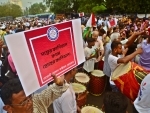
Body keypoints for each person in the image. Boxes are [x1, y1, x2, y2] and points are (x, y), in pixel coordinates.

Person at [1, 74, 69, 113]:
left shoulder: (37, 101)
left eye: (30, 96)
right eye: (23, 103)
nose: (30, 103)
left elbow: (55, 90)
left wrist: (60, 84)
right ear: (8, 108)